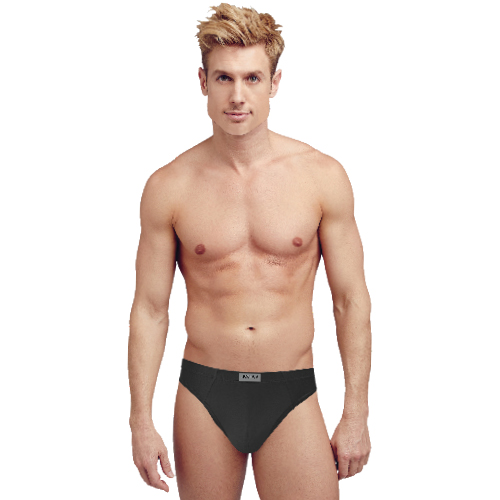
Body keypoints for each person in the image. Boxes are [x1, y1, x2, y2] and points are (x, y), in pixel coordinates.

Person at [128, 3, 372, 498]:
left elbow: (350, 301)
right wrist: (140, 421)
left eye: (252, 78)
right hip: (204, 392)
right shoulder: (169, 186)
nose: (237, 96)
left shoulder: (321, 176)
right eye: (224, 78)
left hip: (291, 390)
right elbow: (150, 309)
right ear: (203, 81)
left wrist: (356, 414)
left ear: (274, 82)